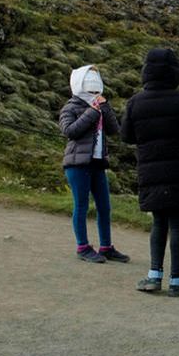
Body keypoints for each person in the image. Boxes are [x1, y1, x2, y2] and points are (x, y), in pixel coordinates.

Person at [122, 48, 179, 297]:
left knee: (159, 222)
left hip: (150, 171)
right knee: (178, 223)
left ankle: (154, 275)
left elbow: (126, 136)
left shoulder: (135, 102)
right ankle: (177, 279)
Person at [58, 65, 128, 265]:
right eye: (91, 91)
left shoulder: (100, 106)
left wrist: (105, 109)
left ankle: (106, 246)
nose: (94, 95)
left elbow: (115, 130)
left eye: (97, 91)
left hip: (98, 163)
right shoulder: (70, 107)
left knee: (104, 206)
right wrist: (91, 112)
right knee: (81, 205)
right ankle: (83, 246)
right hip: (77, 164)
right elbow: (69, 131)